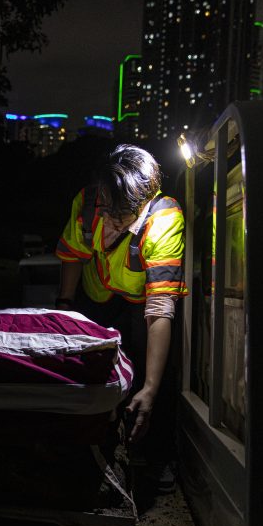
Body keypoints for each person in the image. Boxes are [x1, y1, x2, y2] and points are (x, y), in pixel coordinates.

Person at [54, 144, 187, 492]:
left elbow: (160, 308)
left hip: (142, 301)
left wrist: (152, 389)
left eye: (121, 213)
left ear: (143, 200)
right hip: (96, 294)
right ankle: (87, 444)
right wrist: (66, 306)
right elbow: (73, 255)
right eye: (106, 207)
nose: (109, 220)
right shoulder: (88, 203)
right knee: (87, 363)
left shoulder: (165, 219)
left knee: (150, 369)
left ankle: (156, 458)